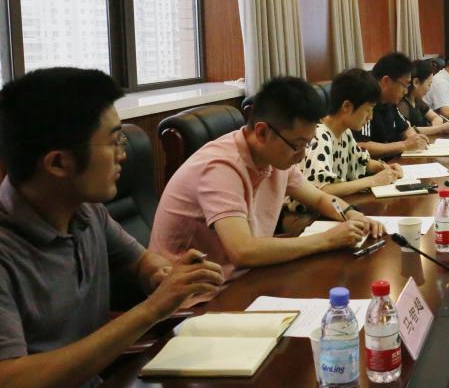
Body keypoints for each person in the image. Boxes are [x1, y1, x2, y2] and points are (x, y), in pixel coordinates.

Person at [0, 68, 225, 388]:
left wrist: (161, 275)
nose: (123, 154)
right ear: (58, 163)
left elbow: (141, 262)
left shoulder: (86, 212)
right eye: (113, 142)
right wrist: (152, 310)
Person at [150, 77, 384, 282]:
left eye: (307, 144)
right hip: (197, 296)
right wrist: (327, 240)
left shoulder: (276, 157)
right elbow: (242, 251)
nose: (302, 155)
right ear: (262, 132)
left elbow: (320, 198)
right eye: (297, 145)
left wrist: (353, 215)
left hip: (244, 276)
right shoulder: (220, 167)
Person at [300, 69, 404, 196]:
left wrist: (384, 167)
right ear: (346, 106)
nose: (370, 117)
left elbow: (361, 161)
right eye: (368, 110)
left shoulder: (345, 133)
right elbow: (321, 190)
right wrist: (373, 181)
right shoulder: (319, 136)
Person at [355, 52, 430, 159]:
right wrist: (404, 145)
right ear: (386, 81)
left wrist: (416, 140)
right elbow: (360, 146)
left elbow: (405, 129)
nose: (406, 91)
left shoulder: (390, 102)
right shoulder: (365, 101)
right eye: (404, 85)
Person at [399, 60, 449, 136]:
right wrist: (440, 128)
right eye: (429, 85)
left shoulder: (417, 101)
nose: (429, 89)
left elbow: (436, 117)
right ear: (416, 82)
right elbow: (408, 131)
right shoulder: (402, 105)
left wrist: (437, 127)